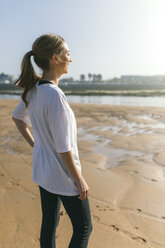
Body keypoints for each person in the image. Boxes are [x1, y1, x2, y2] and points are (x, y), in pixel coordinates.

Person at [12, 33, 93, 248]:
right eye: (68, 54)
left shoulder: (34, 90)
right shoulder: (55, 96)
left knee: (49, 223)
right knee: (84, 227)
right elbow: (63, 146)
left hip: (43, 173)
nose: (71, 59)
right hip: (63, 176)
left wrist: (36, 144)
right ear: (55, 58)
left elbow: (17, 118)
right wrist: (79, 179)